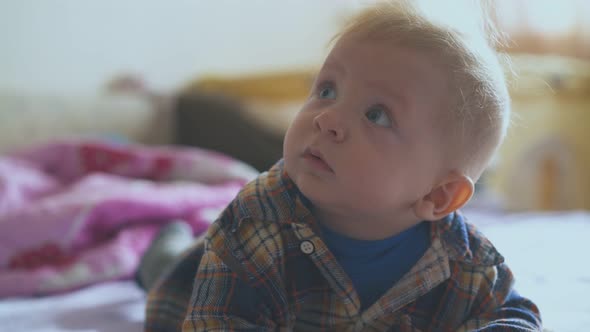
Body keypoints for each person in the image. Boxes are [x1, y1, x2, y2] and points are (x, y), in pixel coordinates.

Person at [141, 1, 542, 331]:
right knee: (171, 274)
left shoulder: (464, 265)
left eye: (377, 115)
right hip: (196, 284)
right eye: (327, 90)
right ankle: (162, 252)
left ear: (439, 195)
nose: (327, 118)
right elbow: (216, 318)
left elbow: (516, 317)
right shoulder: (255, 222)